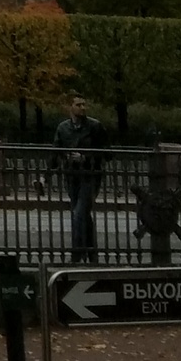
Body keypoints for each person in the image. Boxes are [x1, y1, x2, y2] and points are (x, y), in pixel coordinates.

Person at [52, 92, 109, 263]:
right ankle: (92, 254)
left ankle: (76, 255)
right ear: (70, 107)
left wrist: (85, 157)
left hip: (91, 176)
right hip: (72, 176)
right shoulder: (63, 128)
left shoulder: (95, 126)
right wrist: (46, 175)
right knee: (83, 214)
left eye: (84, 104)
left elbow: (107, 152)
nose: (82, 108)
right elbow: (56, 151)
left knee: (78, 214)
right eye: (78, 105)